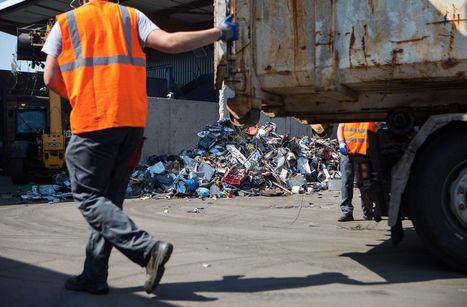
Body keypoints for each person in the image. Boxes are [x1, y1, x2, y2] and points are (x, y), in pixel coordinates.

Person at [42, 0, 238, 295]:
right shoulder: (131, 17)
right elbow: (170, 43)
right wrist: (219, 33)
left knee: (88, 198)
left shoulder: (66, 22)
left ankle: (148, 250)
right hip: (131, 124)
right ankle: (94, 275)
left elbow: (49, 77)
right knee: (107, 203)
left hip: (93, 122)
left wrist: (80, 94)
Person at [337, 122, 379, 222]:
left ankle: (368, 211)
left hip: (363, 153)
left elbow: (375, 130)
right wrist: (341, 142)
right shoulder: (348, 112)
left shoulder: (369, 114)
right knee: (347, 181)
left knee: (365, 183)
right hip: (347, 152)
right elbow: (341, 127)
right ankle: (347, 212)